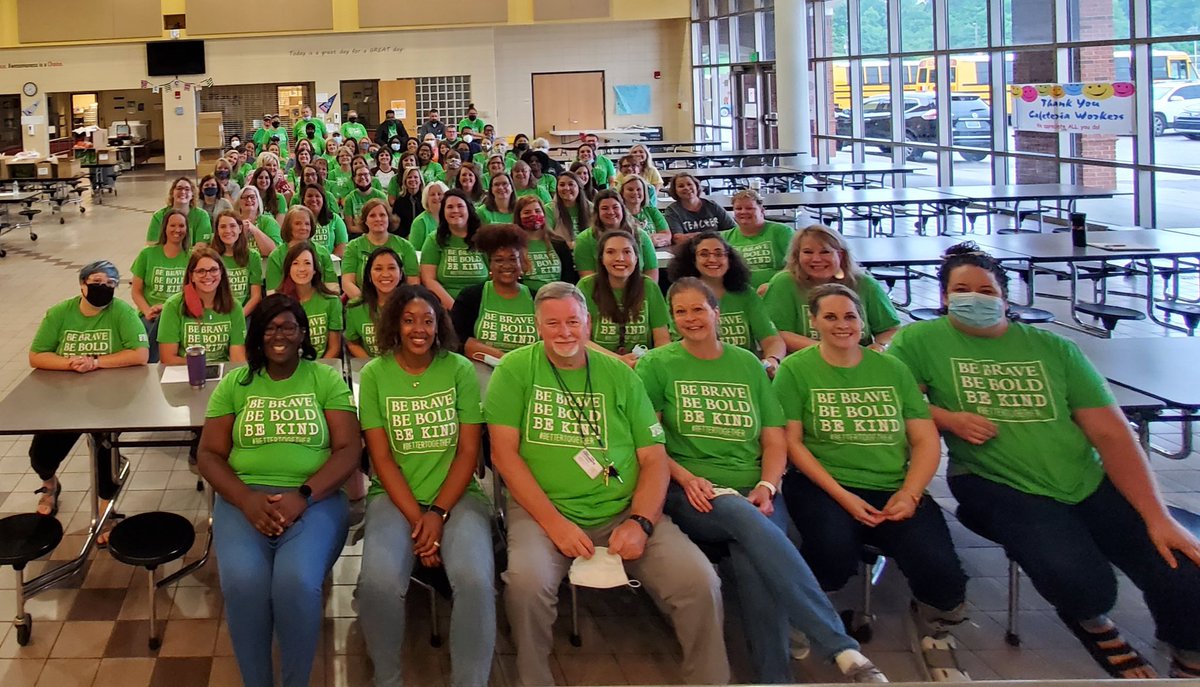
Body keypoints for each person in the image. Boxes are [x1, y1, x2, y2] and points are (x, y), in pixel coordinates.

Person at [888, 243, 1200, 680]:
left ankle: (1187, 650)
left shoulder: (1056, 349)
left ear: (1004, 296)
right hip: (994, 481)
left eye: (985, 289)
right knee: (1082, 580)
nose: (974, 297)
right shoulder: (918, 341)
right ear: (943, 298)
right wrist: (949, 417)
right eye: (961, 289)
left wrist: (1157, 515)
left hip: (1085, 477)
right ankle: (1092, 621)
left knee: (1182, 568)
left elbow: (1110, 434)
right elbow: (898, 400)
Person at [638, 278, 889, 684]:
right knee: (742, 517)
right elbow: (647, 441)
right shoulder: (657, 364)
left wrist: (768, 486)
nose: (690, 319)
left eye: (698, 309)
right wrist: (686, 477)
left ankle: (776, 679)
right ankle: (840, 646)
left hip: (756, 491)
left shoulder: (747, 363)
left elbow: (774, 438)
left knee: (753, 558)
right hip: (692, 492)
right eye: (680, 312)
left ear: (716, 313)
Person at [484, 281, 730, 687]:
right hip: (543, 511)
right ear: (537, 327)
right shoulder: (514, 369)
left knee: (700, 581)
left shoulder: (620, 375)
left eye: (572, 322)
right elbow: (503, 456)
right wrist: (555, 524)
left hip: (624, 508)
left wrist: (642, 522)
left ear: (588, 324)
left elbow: (653, 458)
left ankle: (710, 680)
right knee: (526, 585)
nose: (564, 332)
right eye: (552, 324)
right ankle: (533, 679)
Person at [777, 282, 969, 680]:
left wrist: (910, 493)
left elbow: (924, 438)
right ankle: (806, 610)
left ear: (862, 321)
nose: (842, 324)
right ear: (814, 322)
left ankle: (934, 625)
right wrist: (843, 497)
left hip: (893, 484)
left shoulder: (892, 369)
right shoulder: (796, 369)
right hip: (825, 483)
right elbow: (792, 443)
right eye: (830, 317)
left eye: (849, 316)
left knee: (943, 571)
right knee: (832, 551)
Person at [197, 293, 360, 687]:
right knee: (244, 585)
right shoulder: (236, 382)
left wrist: (302, 495)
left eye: (288, 326)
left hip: (314, 501)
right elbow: (209, 454)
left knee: (297, 584)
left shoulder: (325, 378)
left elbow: (348, 449)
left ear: (303, 333)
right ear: (257, 335)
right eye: (269, 327)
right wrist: (246, 499)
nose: (279, 335)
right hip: (243, 501)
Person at [357, 284, 494, 687]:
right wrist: (422, 522)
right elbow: (380, 459)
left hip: (456, 497)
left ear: (439, 326)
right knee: (378, 584)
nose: (419, 329)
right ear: (394, 326)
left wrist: (438, 514)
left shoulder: (458, 369)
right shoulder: (376, 374)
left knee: (475, 581)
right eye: (409, 320)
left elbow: (468, 452)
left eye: (428, 321)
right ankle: (388, 678)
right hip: (395, 499)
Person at [29, 261, 148, 520]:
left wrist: (96, 362)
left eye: (110, 284)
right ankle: (50, 485)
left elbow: (140, 354)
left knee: (105, 451)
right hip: (65, 399)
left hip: (108, 399)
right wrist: (69, 363)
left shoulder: (122, 313)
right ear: (82, 285)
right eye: (96, 282)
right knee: (41, 456)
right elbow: (37, 355)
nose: (103, 288)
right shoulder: (60, 313)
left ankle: (106, 506)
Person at [764, 224, 900, 354]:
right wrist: (830, 351)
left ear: (840, 255)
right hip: (804, 362)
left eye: (825, 252)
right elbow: (777, 332)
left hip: (858, 362)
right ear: (797, 255)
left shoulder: (865, 284)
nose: (816, 259)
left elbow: (890, 329)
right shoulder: (784, 283)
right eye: (808, 252)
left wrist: (880, 346)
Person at [668, 231, 785, 373]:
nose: (712, 259)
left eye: (719, 254)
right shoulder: (679, 293)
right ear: (693, 260)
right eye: (704, 254)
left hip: (743, 370)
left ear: (729, 259)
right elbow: (675, 344)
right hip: (696, 371)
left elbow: (772, 339)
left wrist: (772, 360)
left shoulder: (745, 293)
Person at [578, 230, 669, 367]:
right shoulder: (586, 286)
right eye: (610, 252)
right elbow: (581, 339)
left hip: (642, 365)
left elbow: (662, 339)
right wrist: (618, 361)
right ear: (601, 258)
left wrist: (647, 364)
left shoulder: (649, 286)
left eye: (627, 252)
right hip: (599, 365)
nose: (620, 258)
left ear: (636, 258)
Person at [450, 223, 537, 362]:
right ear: (490, 264)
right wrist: (507, 362)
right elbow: (461, 341)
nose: (507, 265)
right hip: (482, 368)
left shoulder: (537, 298)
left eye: (513, 259)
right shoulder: (470, 297)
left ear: (521, 263)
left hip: (529, 370)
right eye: (499, 260)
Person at [157, 247, 248, 365]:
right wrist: (202, 368)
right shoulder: (173, 306)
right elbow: (168, 358)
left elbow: (238, 359)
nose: (208, 276)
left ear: (221, 273)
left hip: (221, 373)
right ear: (192, 276)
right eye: (201, 271)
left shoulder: (234, 306)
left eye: (214, 270)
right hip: (185, 370)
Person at [131, 209, 190, 363]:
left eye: (181, 226)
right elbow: (136, 291)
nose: (177, 230)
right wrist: (147, 310)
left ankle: (150, 362)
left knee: (165, 320)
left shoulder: (192, 257)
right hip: (150, 314)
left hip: (180, 312)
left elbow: (192, 293)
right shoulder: (147, 255)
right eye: (173, 225)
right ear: (164, 228)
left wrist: (166, 307)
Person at [420, 189, 489, 308]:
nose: (455, 210)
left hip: (483, 304)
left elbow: (493, 274)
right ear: (443, 212)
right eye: (450, 207)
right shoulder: (433, 239)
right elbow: (428, 279)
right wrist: (456, 308)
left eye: (460, 206)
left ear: (469, 210)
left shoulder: (483, 237)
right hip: (446, 307)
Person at [341, 199, 420, 300]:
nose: (378, 219)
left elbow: (413, 282)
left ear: (389, 219)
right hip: (364, 303)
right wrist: (367, 304)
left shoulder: (406, 246)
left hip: (398, 304)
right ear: (365, 220)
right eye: (372, 215)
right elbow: (347, 283)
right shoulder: (353, 247)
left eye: (382, 215)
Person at [276, 242, 343, 359]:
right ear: (288, 269)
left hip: (321, 369)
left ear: (314, 270)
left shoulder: (331, 301)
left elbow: (334, 347)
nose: (302, 269)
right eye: (295, 263)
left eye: (307, 263)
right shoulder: (278, 305)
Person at [573, 190, 658, 281]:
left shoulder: (641, 235)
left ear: (623, 209)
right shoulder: (584, 239)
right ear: (597, 212)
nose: (611, 212)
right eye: (605, 208)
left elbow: (651, 272)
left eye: (615, 207)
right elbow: (587, 280)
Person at [723, 190, 793, 290]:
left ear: (762, 211)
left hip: (778, 290)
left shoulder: (783, 232)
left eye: (749, 208)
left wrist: (772, 285)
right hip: (740, 292)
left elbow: (794, 265)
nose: (743, 212)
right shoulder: (725, 237)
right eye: (738, 208)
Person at [265, 206, 339, 293]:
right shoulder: (276, 256)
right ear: (288, 226)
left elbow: (332, 288)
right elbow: (273, 294)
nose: (303, 228)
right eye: (298, 223)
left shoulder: (322, 252)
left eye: (307, 224)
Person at [345, 248, 403, 358]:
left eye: (391, 268)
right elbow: (352, 343)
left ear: (400, 274)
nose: (385, 274)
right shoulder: (354, 307)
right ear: (369, 276)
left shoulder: (412, 306)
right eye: (378, 269)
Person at [210, 210, 264, 318]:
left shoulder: (253, 256)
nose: (228, 230)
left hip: (244, 313)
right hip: (216, 313)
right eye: (223, 227)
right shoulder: (210, 257)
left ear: (240, 229)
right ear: (217, 231)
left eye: (232, 226)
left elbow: (256, 296)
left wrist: (238, 317)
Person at [515, 195, 572, 292]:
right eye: (527, 212)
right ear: (519, 217)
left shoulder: (559, 243)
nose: (533, 215)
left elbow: (569, 276)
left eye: (537, 211)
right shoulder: (514, 245)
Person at [664, 171, 734, 243]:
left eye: (689, 184)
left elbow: (733, 231)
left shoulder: (712, 206)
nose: (687, 188)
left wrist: (693, 236)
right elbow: (678, 239)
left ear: (696, 186)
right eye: (681, 186)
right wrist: (714, 235)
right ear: (675, 191)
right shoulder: (672, 211)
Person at [146, 177, 213, 245]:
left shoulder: (202, 216)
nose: (183, 192)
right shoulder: (159, 216)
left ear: (192, 195)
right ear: (172, 193)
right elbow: (151, 244)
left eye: (187, 189)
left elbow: (201, 247)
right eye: (179, 188)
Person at [620, 175, 671, 248]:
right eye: (630, 189)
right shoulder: (619, 214)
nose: (635, 192)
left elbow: (667, 235)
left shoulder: (652, 211)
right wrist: (648, 240)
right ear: (622, 193)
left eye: (639, 189)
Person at [299, 183, 348, 258]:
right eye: (309, 196)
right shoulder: (297, 220)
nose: (313, 199)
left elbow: (342, 246)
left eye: (317, 196)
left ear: (323, 200)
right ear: (304, 200)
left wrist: (327, 262)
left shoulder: (335, 219)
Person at [234, 186, 283, 255]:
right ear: (238, 202)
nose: (249, 200)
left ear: (258, 201)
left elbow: (274, 252)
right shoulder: (233, 222)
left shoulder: (268, 221)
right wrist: (243, 233)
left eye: (252, 197)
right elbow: (231, 251)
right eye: (245, 197)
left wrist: (253, 229)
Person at [343, 166, 388, 237]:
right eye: (359, 175)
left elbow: (387, 222)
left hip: (379, 234)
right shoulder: (350, 198)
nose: (363, 177)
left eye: (366, 174)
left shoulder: (381, 196)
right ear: (354, 179)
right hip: (357, 235)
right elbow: (350, 227)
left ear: (371, 178)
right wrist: (372, 229)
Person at [552, 170, 591, 245]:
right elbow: (548, 237)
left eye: (571, 184)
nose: (566, 188)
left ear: (579, 187)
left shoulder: (591, 208)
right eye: (562, 185)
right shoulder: (549, 209)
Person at [409, 181, 447, 249]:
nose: (436, 197)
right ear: (426, 199)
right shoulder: (420, 222)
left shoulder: (450, 218)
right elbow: (414, 251)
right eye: (432, 194)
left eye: (439, 194)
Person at [390, 167, 426, 237]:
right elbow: (396, 226)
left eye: (416, 177)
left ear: (420, 180)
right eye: (409, 177)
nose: (413, 179)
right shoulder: (399, 201)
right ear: (405, 181)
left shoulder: (426, 199)